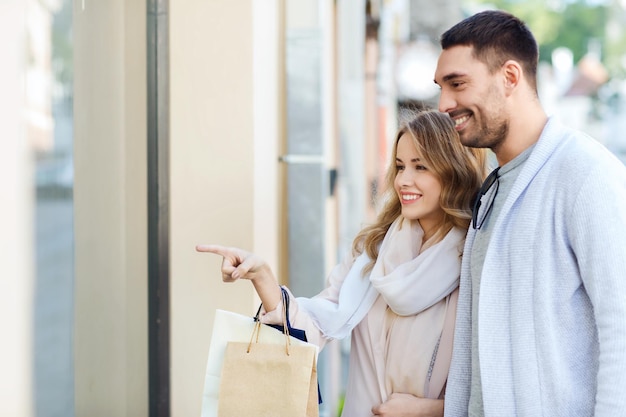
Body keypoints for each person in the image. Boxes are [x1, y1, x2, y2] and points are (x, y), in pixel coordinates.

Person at [197, 109, 486, 417]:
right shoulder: (373, 251)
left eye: (421, 167)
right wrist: (262, 276)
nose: (404, 180)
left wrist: (432, 411)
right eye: (400, 166)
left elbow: (491, 383)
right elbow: (314, 328)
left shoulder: (474, 262)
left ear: (453, 171)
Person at [434, 9, 626, 417]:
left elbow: (621, 330)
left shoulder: (586, 175)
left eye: (457, 84)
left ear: (510, 77)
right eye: (441, 87)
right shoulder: (493, 189)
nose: (444, 103)